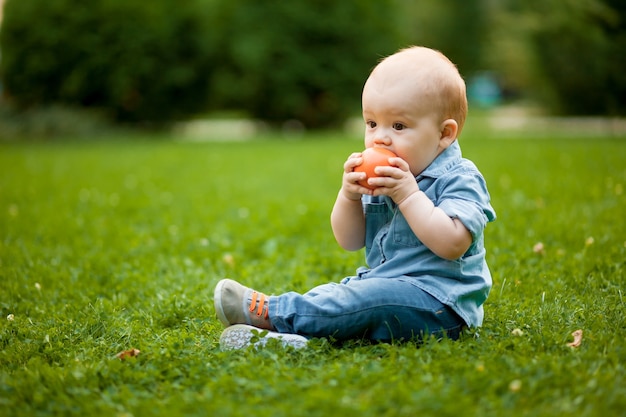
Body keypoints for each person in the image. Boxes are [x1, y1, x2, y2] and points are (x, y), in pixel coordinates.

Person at [214, 46, 496, 350]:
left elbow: (453, 244)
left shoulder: (459, 177)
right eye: (372, 123)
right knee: (342, 296)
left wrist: (409, 195)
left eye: (398, 126)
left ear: (444, 134)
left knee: (367, 300)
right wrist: (348, 196)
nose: (379, 138)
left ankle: (273, 312)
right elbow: (349, 240)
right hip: (380, 286)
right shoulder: (384, 176)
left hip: (439, 304)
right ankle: (281, 341)